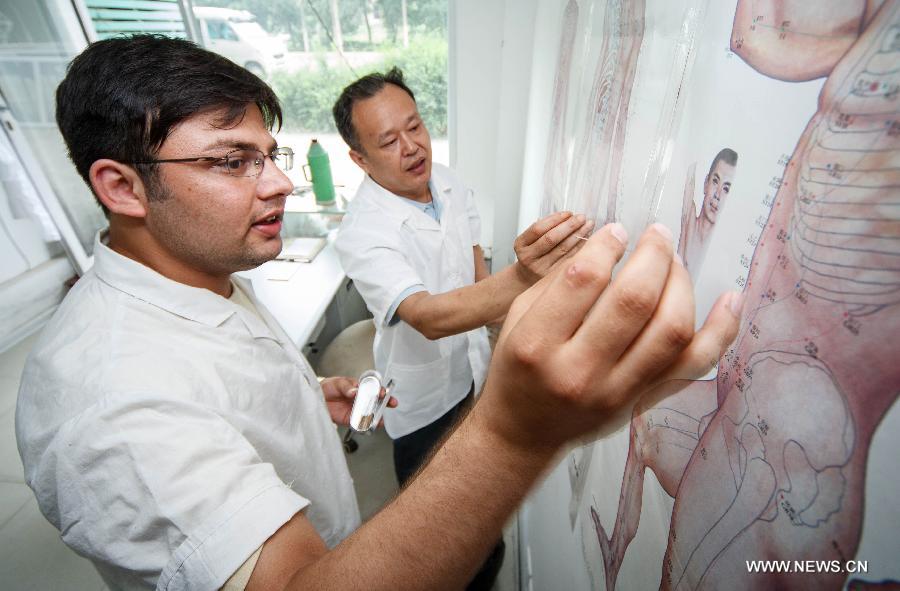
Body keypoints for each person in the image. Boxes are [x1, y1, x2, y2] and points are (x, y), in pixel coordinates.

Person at [15, 35, 740, 591]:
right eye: (233, 162)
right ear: (121, 187)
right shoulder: (115, 405)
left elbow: (222, 375)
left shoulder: (201, 271)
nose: (278, 186)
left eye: (270, 155)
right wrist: (518, 433)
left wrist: (300, 392)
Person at [332, 69, 592, 588]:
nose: (412, 147)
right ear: (359, 159)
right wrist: (526, 275)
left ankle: (484, 564)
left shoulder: (447, 180)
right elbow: (427, 317)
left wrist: (534, 319)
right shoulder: (363, 232)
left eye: (416, 126)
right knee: (432, 517)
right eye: (388, 140)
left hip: (471, 369)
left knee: (475, 492)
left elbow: (476, 274)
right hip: (419, 394)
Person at [677, 148, 738, 277]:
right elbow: (689, 173)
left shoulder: (720, 254)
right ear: (706, 183)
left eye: (726, 189)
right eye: (715, 181)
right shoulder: (690, 222)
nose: (718, 195)